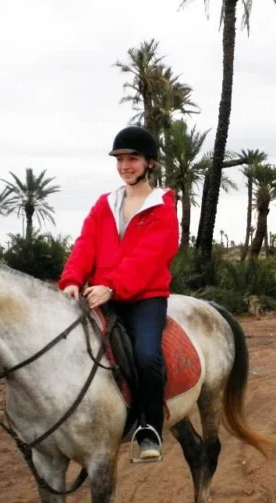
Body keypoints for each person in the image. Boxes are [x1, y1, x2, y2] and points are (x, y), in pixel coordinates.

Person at [58, 125, 179, 461]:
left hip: (145, 298)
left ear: (150, 163)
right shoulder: (105, 204)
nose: (125, 165)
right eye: (121, 159)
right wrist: (72, 278)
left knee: (145, 354)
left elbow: (151, 257)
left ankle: (149, 427)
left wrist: (113, 287)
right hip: (98, 293)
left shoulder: (162, 207)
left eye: (133, 159)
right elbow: (86, 244)